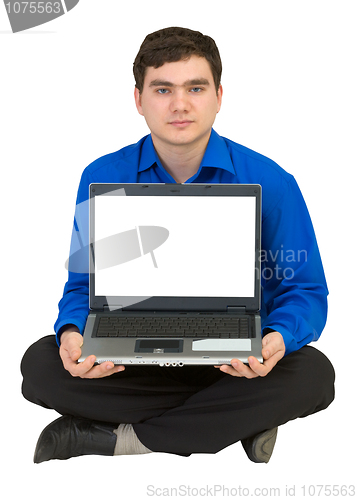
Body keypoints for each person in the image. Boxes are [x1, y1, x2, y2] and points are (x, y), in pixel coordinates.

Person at [21, 27, 335, 464]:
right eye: (163, 88)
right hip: (134, 358)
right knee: (40, 366)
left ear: (219, 96)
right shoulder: (103, 175)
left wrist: (277, 338)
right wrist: (73, 333)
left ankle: (119, 438)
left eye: (196, 87)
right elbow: (82, 286)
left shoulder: (271, 181)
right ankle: (236, 420)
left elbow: (305, 291)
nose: (180, 104)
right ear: (139, 99)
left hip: (233, 361)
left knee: (314, 376)